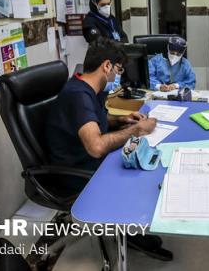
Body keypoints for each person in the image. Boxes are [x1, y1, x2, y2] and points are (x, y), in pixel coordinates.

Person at [45, 38, 172, 261]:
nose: (117, 76)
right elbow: (96, 146)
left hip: (86, 160)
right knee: (143, 170)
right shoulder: (78, 95)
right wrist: (137, 130)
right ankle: (127, 231)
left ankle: (129, 228)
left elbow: (95, 121)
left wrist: (122, 119)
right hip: (75, 171)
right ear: (106, 66)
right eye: (118, 69)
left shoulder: (85, 86)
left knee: (144, 157)